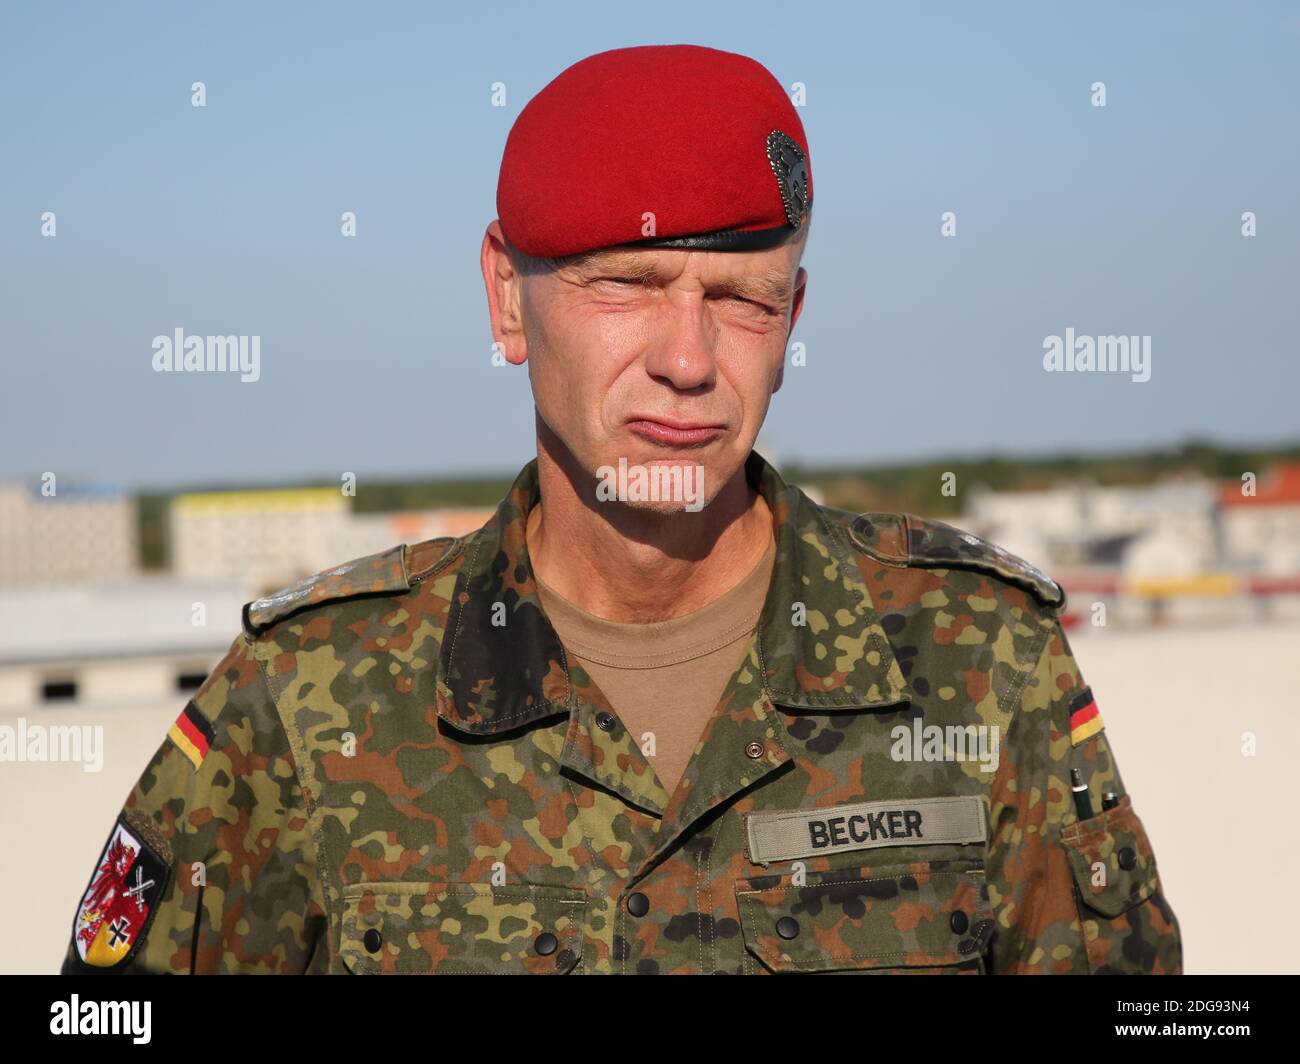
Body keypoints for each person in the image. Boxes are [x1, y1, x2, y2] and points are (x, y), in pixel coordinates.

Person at [61, 43, 1181, 975]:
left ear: (793, 320)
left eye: (740, 299)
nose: (688, 359)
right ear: (508, 298)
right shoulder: (309, 699)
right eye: (627, 285)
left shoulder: (977, 659)